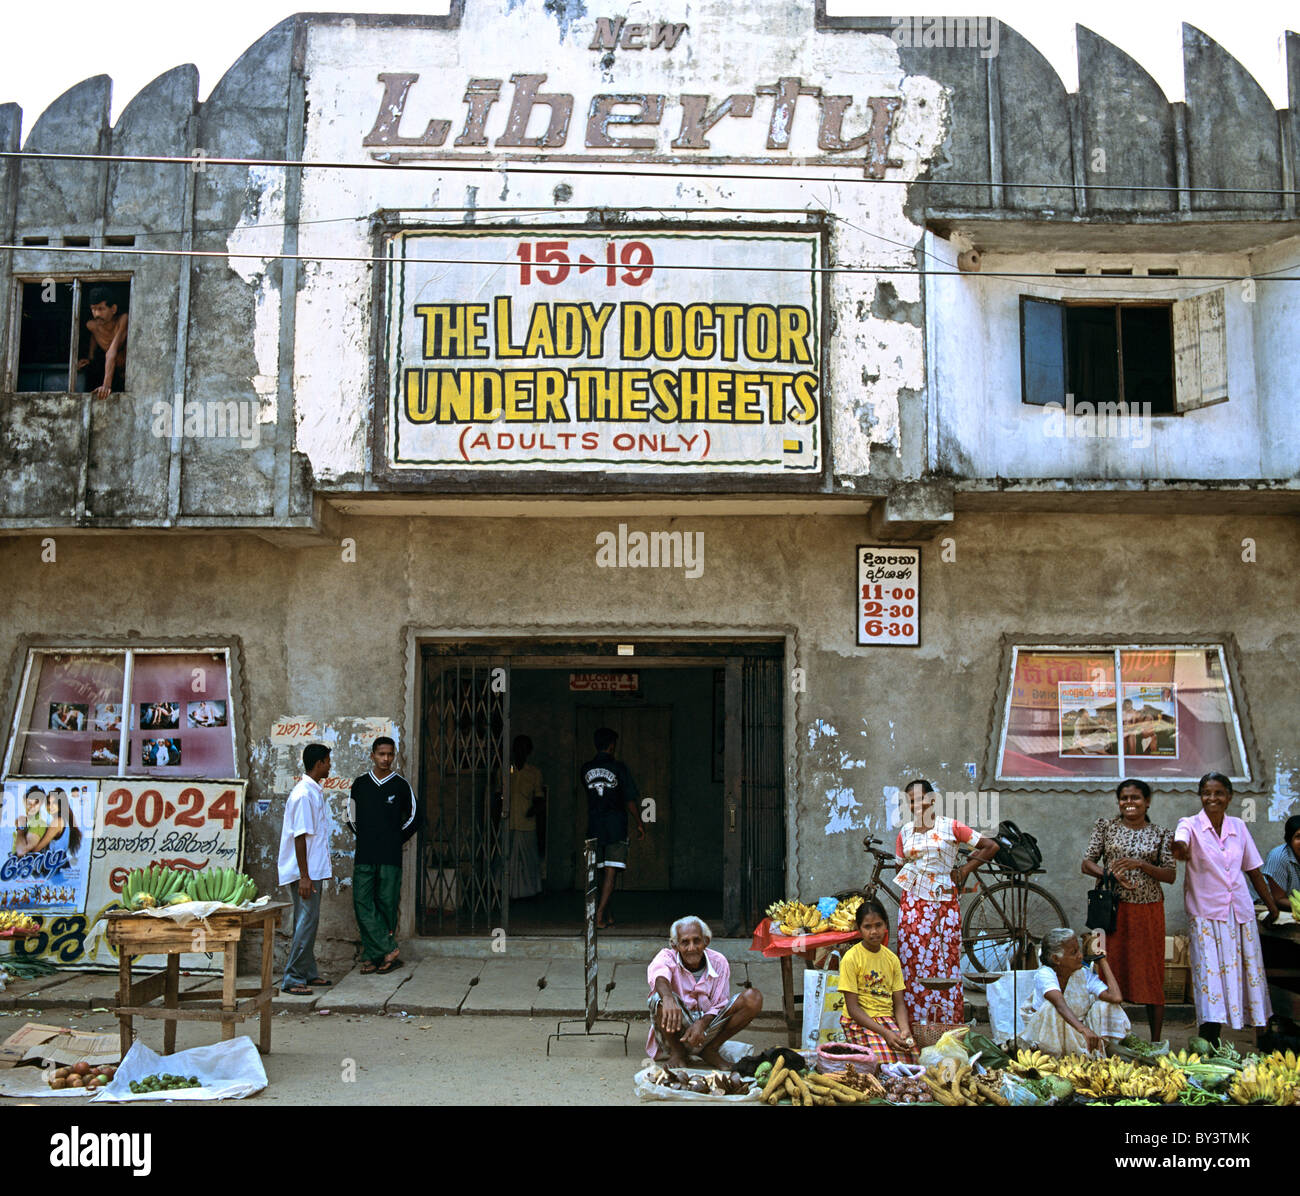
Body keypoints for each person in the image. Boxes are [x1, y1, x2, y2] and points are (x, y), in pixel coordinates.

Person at [1173, 771, 1279, 1046]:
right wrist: (1180, 848)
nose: (1212, 798)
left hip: (1240, 912)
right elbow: (1180, 841)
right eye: (1207, 793)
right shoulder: (1190, 825)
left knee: (1250, 973)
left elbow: (1254, 870)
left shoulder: (1238, 827)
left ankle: (1263, 1040)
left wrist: (1271, 906)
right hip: (1206, 914)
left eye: (1219, 793)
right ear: (1200, 796)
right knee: (1210, 976)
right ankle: (1209, 1039)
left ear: (1229, 797)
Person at [894, 778, 998, 1026]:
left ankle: (946, 1025)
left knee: (944, 962)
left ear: (932, 799)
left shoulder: (951, 827)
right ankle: (916, 1027)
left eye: (920, 799)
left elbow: (990, 846)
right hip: (912, 906)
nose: (916, 805)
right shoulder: (905, 832)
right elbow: (900, 866)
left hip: (943, 904)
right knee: (912, 964)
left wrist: (965, 870)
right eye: (911, 801)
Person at [1081, 778, 1176, 1039]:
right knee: (1110, 969)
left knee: (1150, 972)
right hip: (1111, 911)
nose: (1129, 803)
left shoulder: (1161, 834)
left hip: (1148, 912)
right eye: (1124, 798)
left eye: (1135, 798)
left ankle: (1155, 1041)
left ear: (1147, 802)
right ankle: (1111, 1037)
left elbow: (1170, 875)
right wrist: (1109, 875)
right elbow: (1086, 863)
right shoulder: (1106, 827)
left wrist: (1141, 865)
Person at [646, 915, 762, 1067]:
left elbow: (720, 1003)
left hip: (708, 1027)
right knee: (659, 999)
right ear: (675, 946)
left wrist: (702, 1023)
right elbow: (659, 977)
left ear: (706, 941)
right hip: (677, 1028)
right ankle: (678, 1052)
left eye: (697, 941)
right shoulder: (666, 956)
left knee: (753, 997)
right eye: (685, 942)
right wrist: (668, 998)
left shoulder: (719, 961)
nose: (692, 948)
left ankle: (710, 1050)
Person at [346, 736, 418, 975]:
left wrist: (394, 839)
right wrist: (368, 838)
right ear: (372, 755)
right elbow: (350, 816)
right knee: (362, 902)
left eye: (390, 754)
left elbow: (415, 817)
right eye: (381, 754)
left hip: (390, 857)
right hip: (365, 854)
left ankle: (373, 956)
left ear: (394, 755)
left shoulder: (400, 785)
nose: (386, 759)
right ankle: (387, 949)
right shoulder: (360, 784)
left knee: (386, 905)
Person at [1021, 927, 1129, 1055]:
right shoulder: (1045, 974)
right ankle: (1052, 1058)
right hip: (1047, 1037)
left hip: (1077, 1034)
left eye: (1079, 951)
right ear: (1056, 959)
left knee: (1104, 1005)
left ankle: (1099, 1051)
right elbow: (1059, 1004)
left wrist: (1102, 961)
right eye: (1074, 953)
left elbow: (1115, 998)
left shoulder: (1083, 974)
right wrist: (1083, 1029)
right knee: (1050, 1008)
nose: (1080, 956)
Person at [278, 743, 333, 995]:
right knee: (306, 922)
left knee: (308, 921)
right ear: (319, 763)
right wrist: (304, 876)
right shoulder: (303, 795)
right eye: (328, 761)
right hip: (306, 873)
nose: (330, 765)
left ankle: (308, 973)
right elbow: (299, 837)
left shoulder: (312, 791)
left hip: (313, 870)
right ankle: (293, 977)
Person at [836, 898, 916, 1062]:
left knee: (913, 1058)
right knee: (882, 1060)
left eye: (878, 925)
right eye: (867, 927)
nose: (874, 931)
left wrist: (904, 1030)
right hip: (859, 1021)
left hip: (886, 1019)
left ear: (886, 925)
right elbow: (853, 1009)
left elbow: (899, 1003)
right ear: (859, 929)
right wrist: (885, 1033)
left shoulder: (892, 959)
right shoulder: (851, 959)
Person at [581, 727, 645, 929]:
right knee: (611, 871)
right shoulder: (619, 768)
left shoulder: (585, 769)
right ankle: (598, 915)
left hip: (594, 826)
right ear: (612, 746)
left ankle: (607, 914)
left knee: (600, 871)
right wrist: (639, 822)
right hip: (615, 825)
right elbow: (629, 799)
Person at [506, 734, 543, 900]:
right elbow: (497, 796)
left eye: (524, 749)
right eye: (517, 748)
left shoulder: (534, 773)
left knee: (527, 862)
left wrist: (533, 810)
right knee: (506, 861)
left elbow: (539, 798)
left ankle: (529, 893)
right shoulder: (505, 770)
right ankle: (506, 893)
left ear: (528, 752)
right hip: (507, 823)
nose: (520, 752)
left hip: (526, 824)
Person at [76, 286, 128, 399]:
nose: (96, 314)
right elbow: (93, 350)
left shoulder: (122, 320)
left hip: (127, 373)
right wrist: (87, 360)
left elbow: (111, 352)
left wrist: (106, 385)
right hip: (112, 373)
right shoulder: (92, 326)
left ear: (113, 309)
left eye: (101, 309)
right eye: (93, 309)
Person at [1262, 815, 1300, 906]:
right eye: (1298, 837)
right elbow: (1279, 899)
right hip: (1267, 907)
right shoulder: (1279, 857)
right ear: (1289, 840)